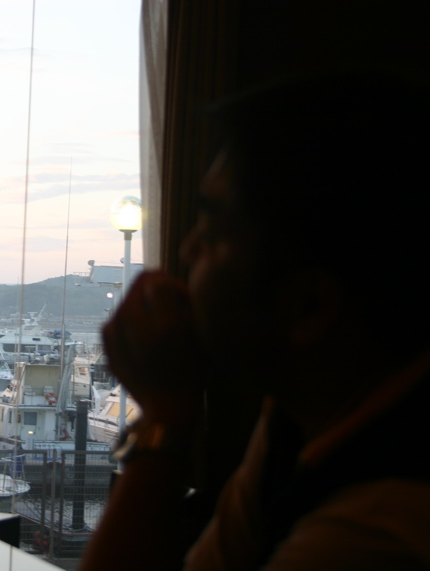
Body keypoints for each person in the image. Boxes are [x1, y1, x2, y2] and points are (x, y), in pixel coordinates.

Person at [80, 73, 430, 570]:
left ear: (307, 306)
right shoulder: (302, 411)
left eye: (213, 232)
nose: (186, 251)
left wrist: (164, 416)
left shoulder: (382, 525)